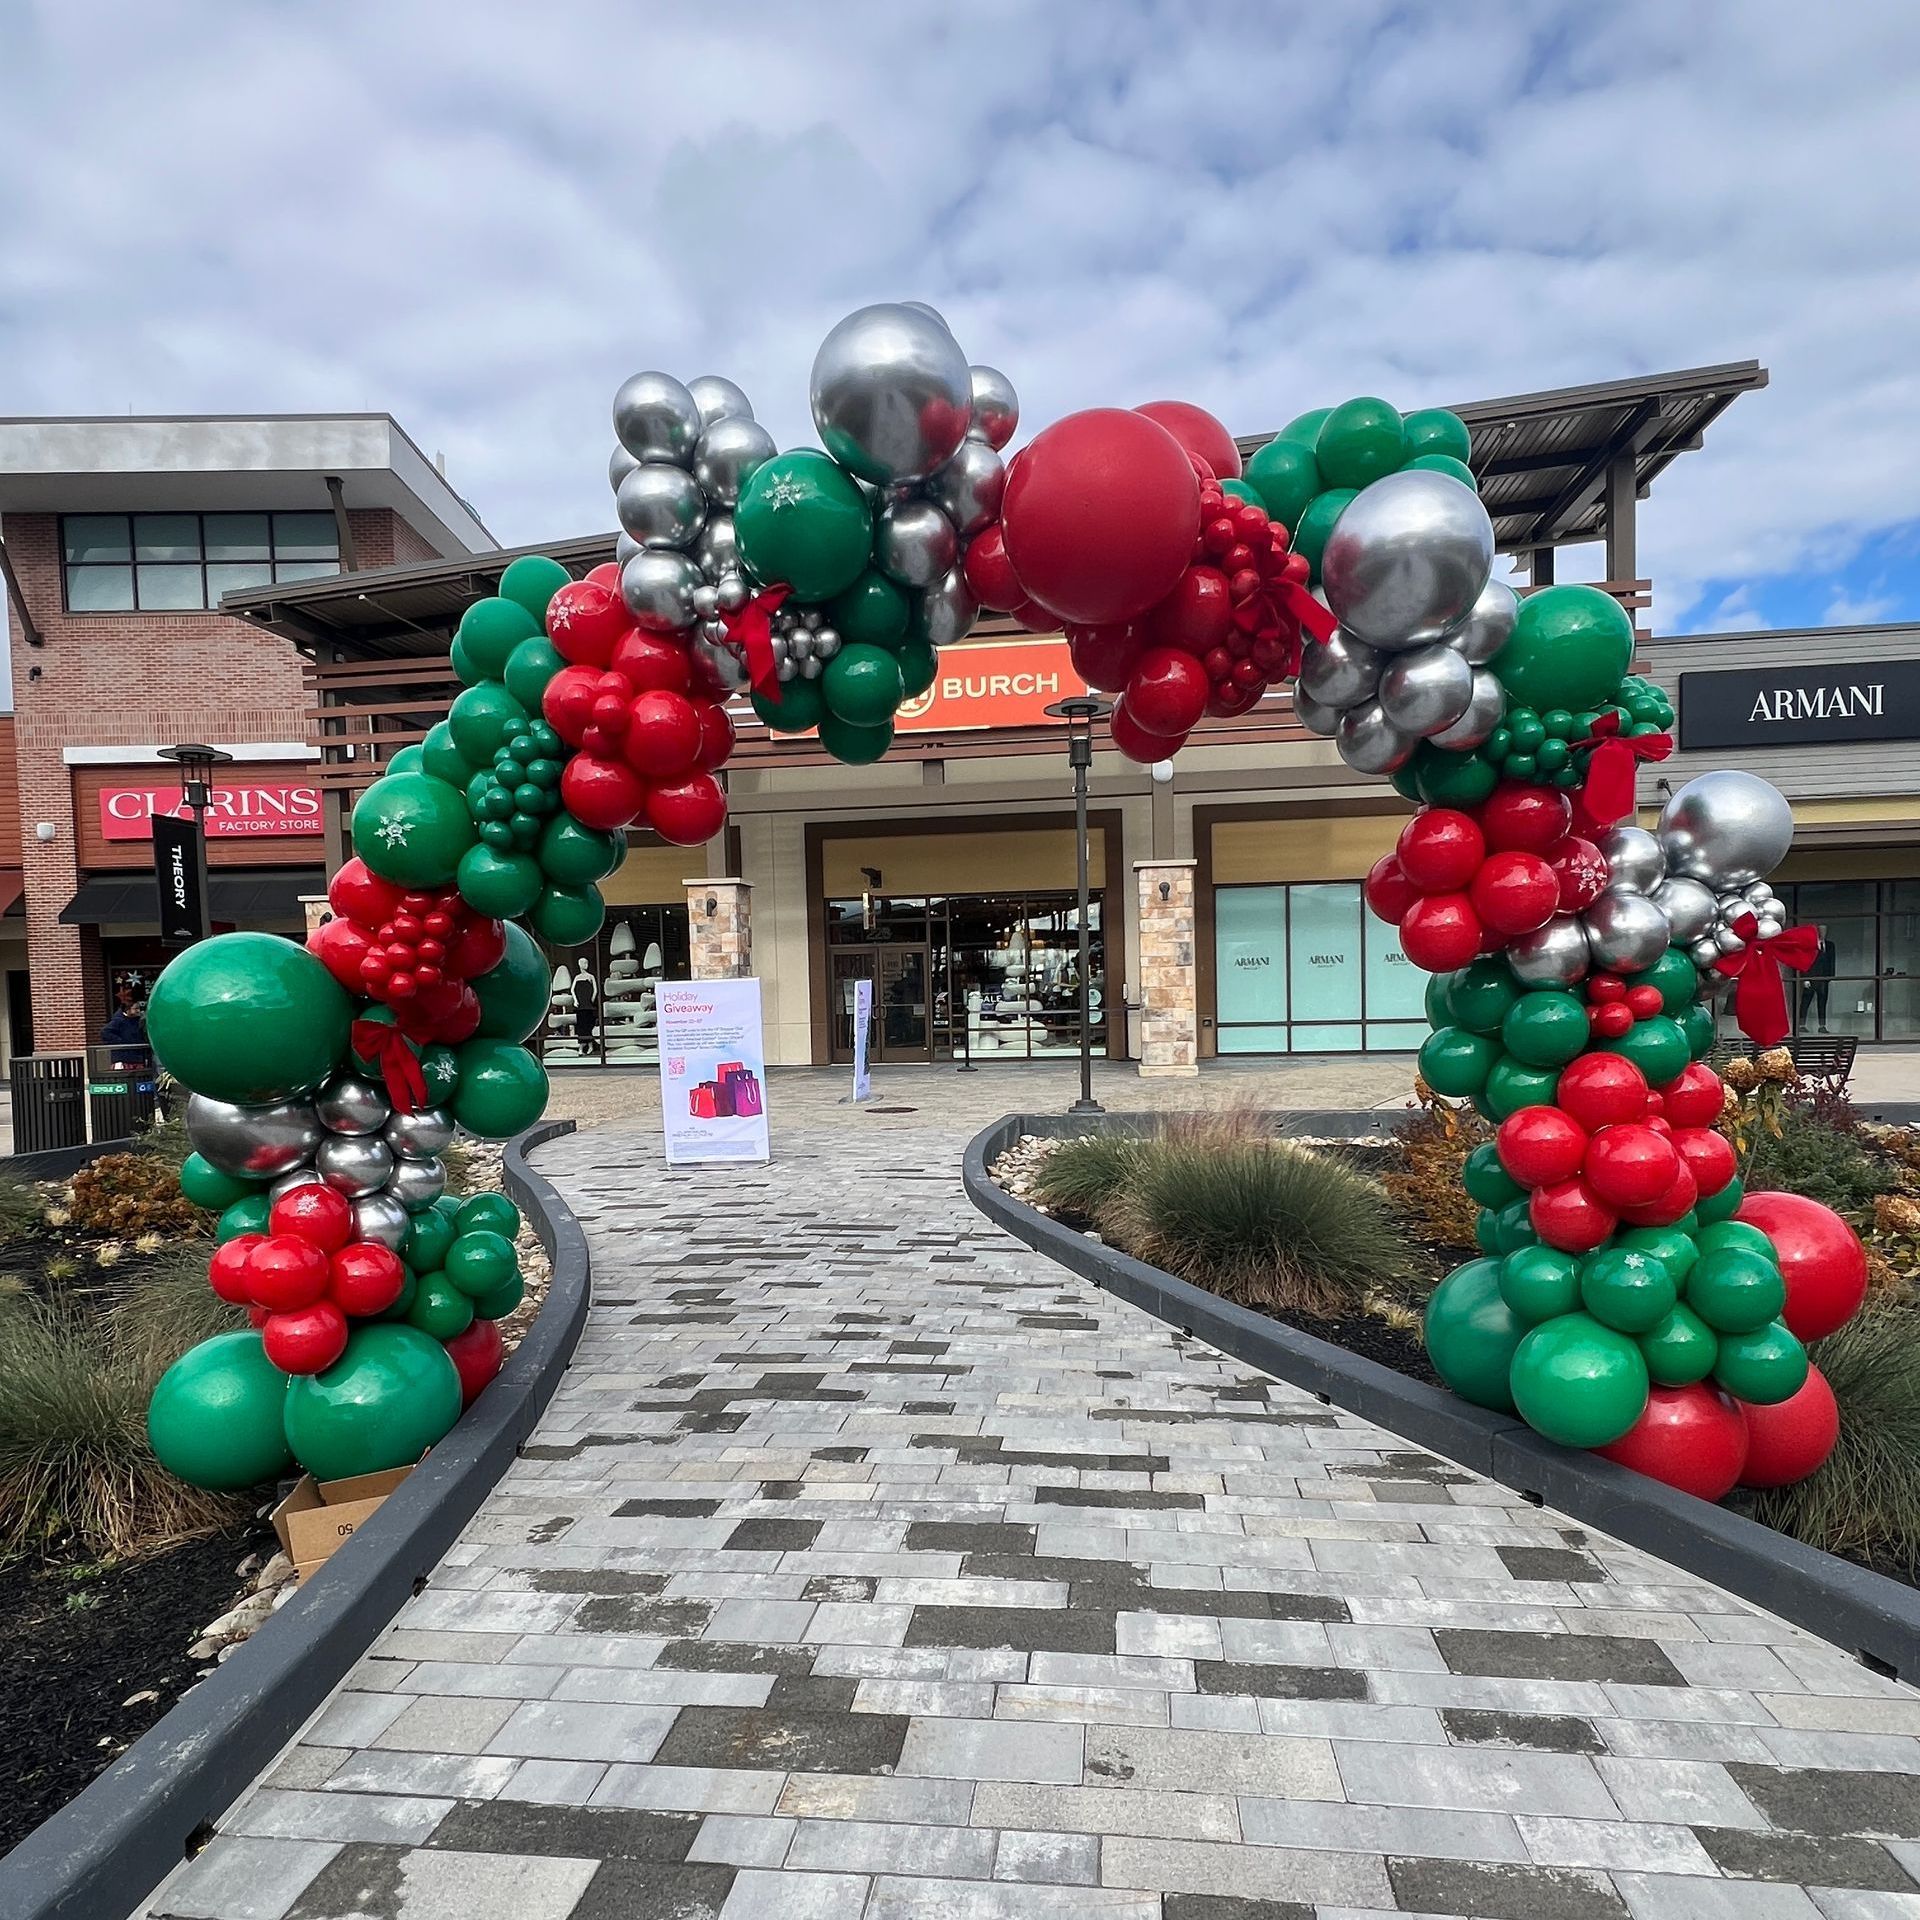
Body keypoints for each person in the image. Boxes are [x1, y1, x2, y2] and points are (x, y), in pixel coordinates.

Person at [100, 983, 150, 1068]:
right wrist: (121, 1041)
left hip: (137, 1057)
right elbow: (105, 1032)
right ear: (128, 1009)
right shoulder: (118, 1021)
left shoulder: (139, 1021)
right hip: (122, 1058)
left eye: (139, 1008)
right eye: (136, 1009)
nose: (138, 1011)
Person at [1807, 924, 1836, 1032]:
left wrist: (1831, 977)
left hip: (1824, 979)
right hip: (1812, 977)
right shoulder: (1811, 945)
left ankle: (1822, 1025)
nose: (1823, 933)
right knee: (1806, 1001)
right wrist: (1805, 978)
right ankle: (1801, 1025)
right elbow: (1806, 962)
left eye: (1825, 931)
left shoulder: (1830, 945)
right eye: (1821, 931)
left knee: (1822, 1002)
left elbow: (1832, 961)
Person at [571, 962, 599, 1048]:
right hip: (580, 1006)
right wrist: (575, 1000)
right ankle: (582, 1046)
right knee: (581, 1026)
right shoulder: (577, 977)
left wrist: (592, 999)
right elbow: (572, 990)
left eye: (587, 962)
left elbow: (595, 990)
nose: (586, 964)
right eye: (584, 963)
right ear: (579, 964)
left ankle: (590, 1045)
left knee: (589, 1025)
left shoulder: (591, 976)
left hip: (588, 1005)